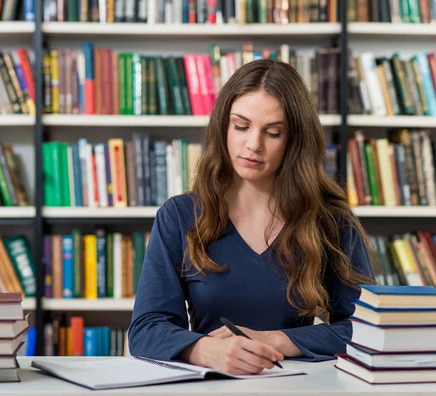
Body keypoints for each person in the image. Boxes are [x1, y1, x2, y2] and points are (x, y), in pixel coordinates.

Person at [128, 58, 376, 375]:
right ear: (223, 127)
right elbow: (147, 330)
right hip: (208, 385)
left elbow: (365, 330)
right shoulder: (179, 216)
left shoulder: (331, 221)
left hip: (298, 387)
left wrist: (275, 340)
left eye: (272, 133)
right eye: (241, 127)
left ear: (293, 141)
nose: (253, 144)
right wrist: (205, 350)